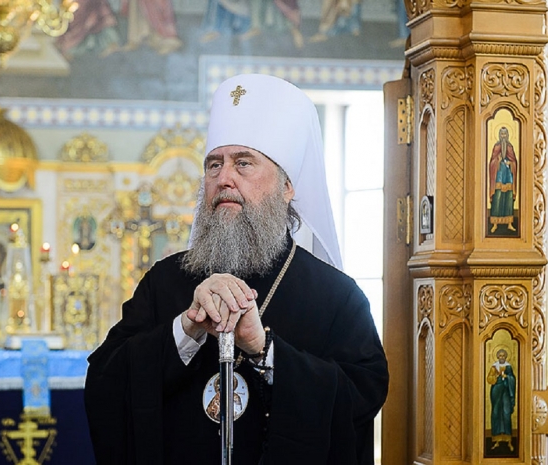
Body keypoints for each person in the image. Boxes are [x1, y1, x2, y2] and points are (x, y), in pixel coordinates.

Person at [85, 73, 389, 464]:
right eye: (214, 165)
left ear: (287, 187)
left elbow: (361, 396)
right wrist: (186, 330)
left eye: (243, 163)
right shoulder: (164, 281)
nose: (223, 178)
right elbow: (105, 382)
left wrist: (264, 350)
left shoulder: (337, 296)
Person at [489, 126, 517, 234]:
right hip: (499, 175)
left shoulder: (510, 147)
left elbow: (514, 161)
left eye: (505, 134)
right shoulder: (496, 147)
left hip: (508, 175)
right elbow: (491, 163)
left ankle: (509, 223)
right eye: (502, 134)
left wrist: (511, 163)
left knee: (508, 197)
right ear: (499, 135)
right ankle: (495, 224)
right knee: (497, 197)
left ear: (508, 135)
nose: (503, 136)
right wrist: (497, 160)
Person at [486, 348, 516, 451]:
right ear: (498, 357)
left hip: (506, 392)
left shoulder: (508, 367)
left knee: (506, 413)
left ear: (506, 357)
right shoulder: (494, 367)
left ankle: (508, 440)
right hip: (496, 391)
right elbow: (489, 379)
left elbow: (513, 379)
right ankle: (496, 439)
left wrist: (507, 376)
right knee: (496, 413)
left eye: (503, 356)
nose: (502, 357)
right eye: (500, 356)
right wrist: (496, 376)